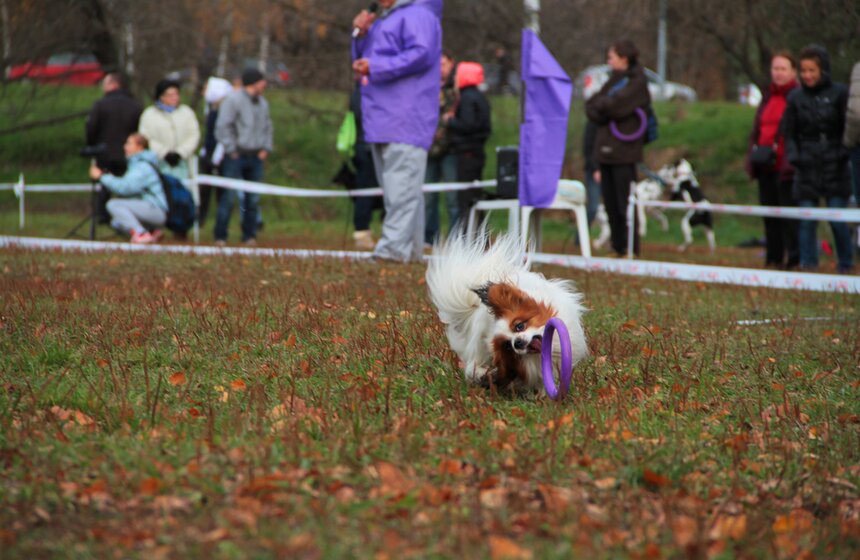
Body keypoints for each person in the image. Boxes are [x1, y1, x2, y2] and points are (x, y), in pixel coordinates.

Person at [351, 0, 442, 262]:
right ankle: (409, 250)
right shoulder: (387, 19)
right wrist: (362, 34)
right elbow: (365, 61)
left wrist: (375, 67)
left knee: (401, 189)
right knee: (400, 190)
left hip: (405, 115)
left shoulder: (418, 15)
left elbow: (422, 52)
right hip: (384, 116)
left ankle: (391, 251)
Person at [782, 44, 853, 274]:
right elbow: (789, 132)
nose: (807, 75)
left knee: (837, 218)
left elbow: (847, 127)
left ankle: (846, 264)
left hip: (836, 164)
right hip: (806, 165)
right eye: (803, 71)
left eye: (812, 70)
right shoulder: (795, 98)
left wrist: (843, 153)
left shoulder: (840, 93)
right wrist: (794, 156)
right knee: (806, 219)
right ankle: (808, 264)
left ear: (823, 70)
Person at [585, 39, 651, 257]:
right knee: (611, 204)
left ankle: (631, 247)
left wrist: (604, 107)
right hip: (605, 152)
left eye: (611, 57)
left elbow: (615, 106)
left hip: (625, 153)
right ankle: (617, 246)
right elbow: (592, 106)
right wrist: (603, 107)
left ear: (624, 58)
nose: (608, 61)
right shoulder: (613, 80)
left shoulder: (637, 82)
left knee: (625, 204)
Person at [746, 51, 800, 270]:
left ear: (792, 72)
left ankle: (793, 259)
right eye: (775, 68)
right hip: (764, 164)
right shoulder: (767, 96)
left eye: (783, 69)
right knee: (769, 215)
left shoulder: (796, 96)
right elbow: (757, 128)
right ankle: (773, 258)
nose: (778, 73)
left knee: (788, 215)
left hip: (786, 166)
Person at [213, 68, 273, 246]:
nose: (265, 85)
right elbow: (223, 126)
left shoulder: (263, 103)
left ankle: (249, 235)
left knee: (252, 199)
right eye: (262, 81)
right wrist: (231, 149)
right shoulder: (233, 101)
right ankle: (220, 235)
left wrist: (266, 148)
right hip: (236, 156)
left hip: (255, 157)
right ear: (254, 82)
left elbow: (268, 127)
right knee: (228, 197)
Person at [88, 133, 167, 244]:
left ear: (140, 147)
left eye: (129, 144)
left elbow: (125, 187)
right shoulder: (138, 164)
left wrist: (102, 176)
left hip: (155, 210)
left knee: (113, 204)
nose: (125, 147)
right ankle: (151, 231)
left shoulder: (142, 166)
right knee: (117, 221)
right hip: (150, 208)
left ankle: (141, 233)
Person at [85, 72, 143, 223]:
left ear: (113, 85)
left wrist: (92, 147)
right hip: (129, 155)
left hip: (104, 154)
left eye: (105, 84)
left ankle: (102, 216)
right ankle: (127, 216)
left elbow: (91, 128)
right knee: (127, 186)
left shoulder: (100, 105)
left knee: (104, 185)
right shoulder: (135, 105)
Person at [444, 61, 492, 220]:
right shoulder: (478, 96)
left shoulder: (467, 98)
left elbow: (468, 124)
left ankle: (470, 237)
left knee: (466, 199)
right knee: (474, 197)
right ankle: (478, 236)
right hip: (476, 152)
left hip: (467, 154)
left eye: (458, 74)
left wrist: (450, 121)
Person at [424, 51, 459, 245]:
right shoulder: (426, 87)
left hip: (451, 151)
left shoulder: (458, 88)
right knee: (428, 197)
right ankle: (430, 238)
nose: (440, 68)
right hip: (429, 150)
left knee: (453, 198)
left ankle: (455, 241)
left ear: (451, 64)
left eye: (444, 64)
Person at [138, 79, 200, 181]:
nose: (174, 98)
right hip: (159, 162)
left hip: (183, 162)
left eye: (176, 94)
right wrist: (164, 153)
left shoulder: (186, 112)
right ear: (161, 97)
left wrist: (180, 153)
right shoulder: (149, 114)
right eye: (170, 95)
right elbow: (146, 137)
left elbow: (194, 135)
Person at [347, 82, 383, 249]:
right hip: (366, 149)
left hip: (375, 146)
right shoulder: (361, 92)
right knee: (365, 192)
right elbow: (361, 115)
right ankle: (361, 232)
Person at [198, 76, 233, 225]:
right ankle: (201, 219)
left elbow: (223, 133)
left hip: (221, 156)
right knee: (204, 189)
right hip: (209, 154)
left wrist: (219, 152)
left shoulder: (225, 110)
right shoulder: (212, 109)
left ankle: (221, 223)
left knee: (222, 192)